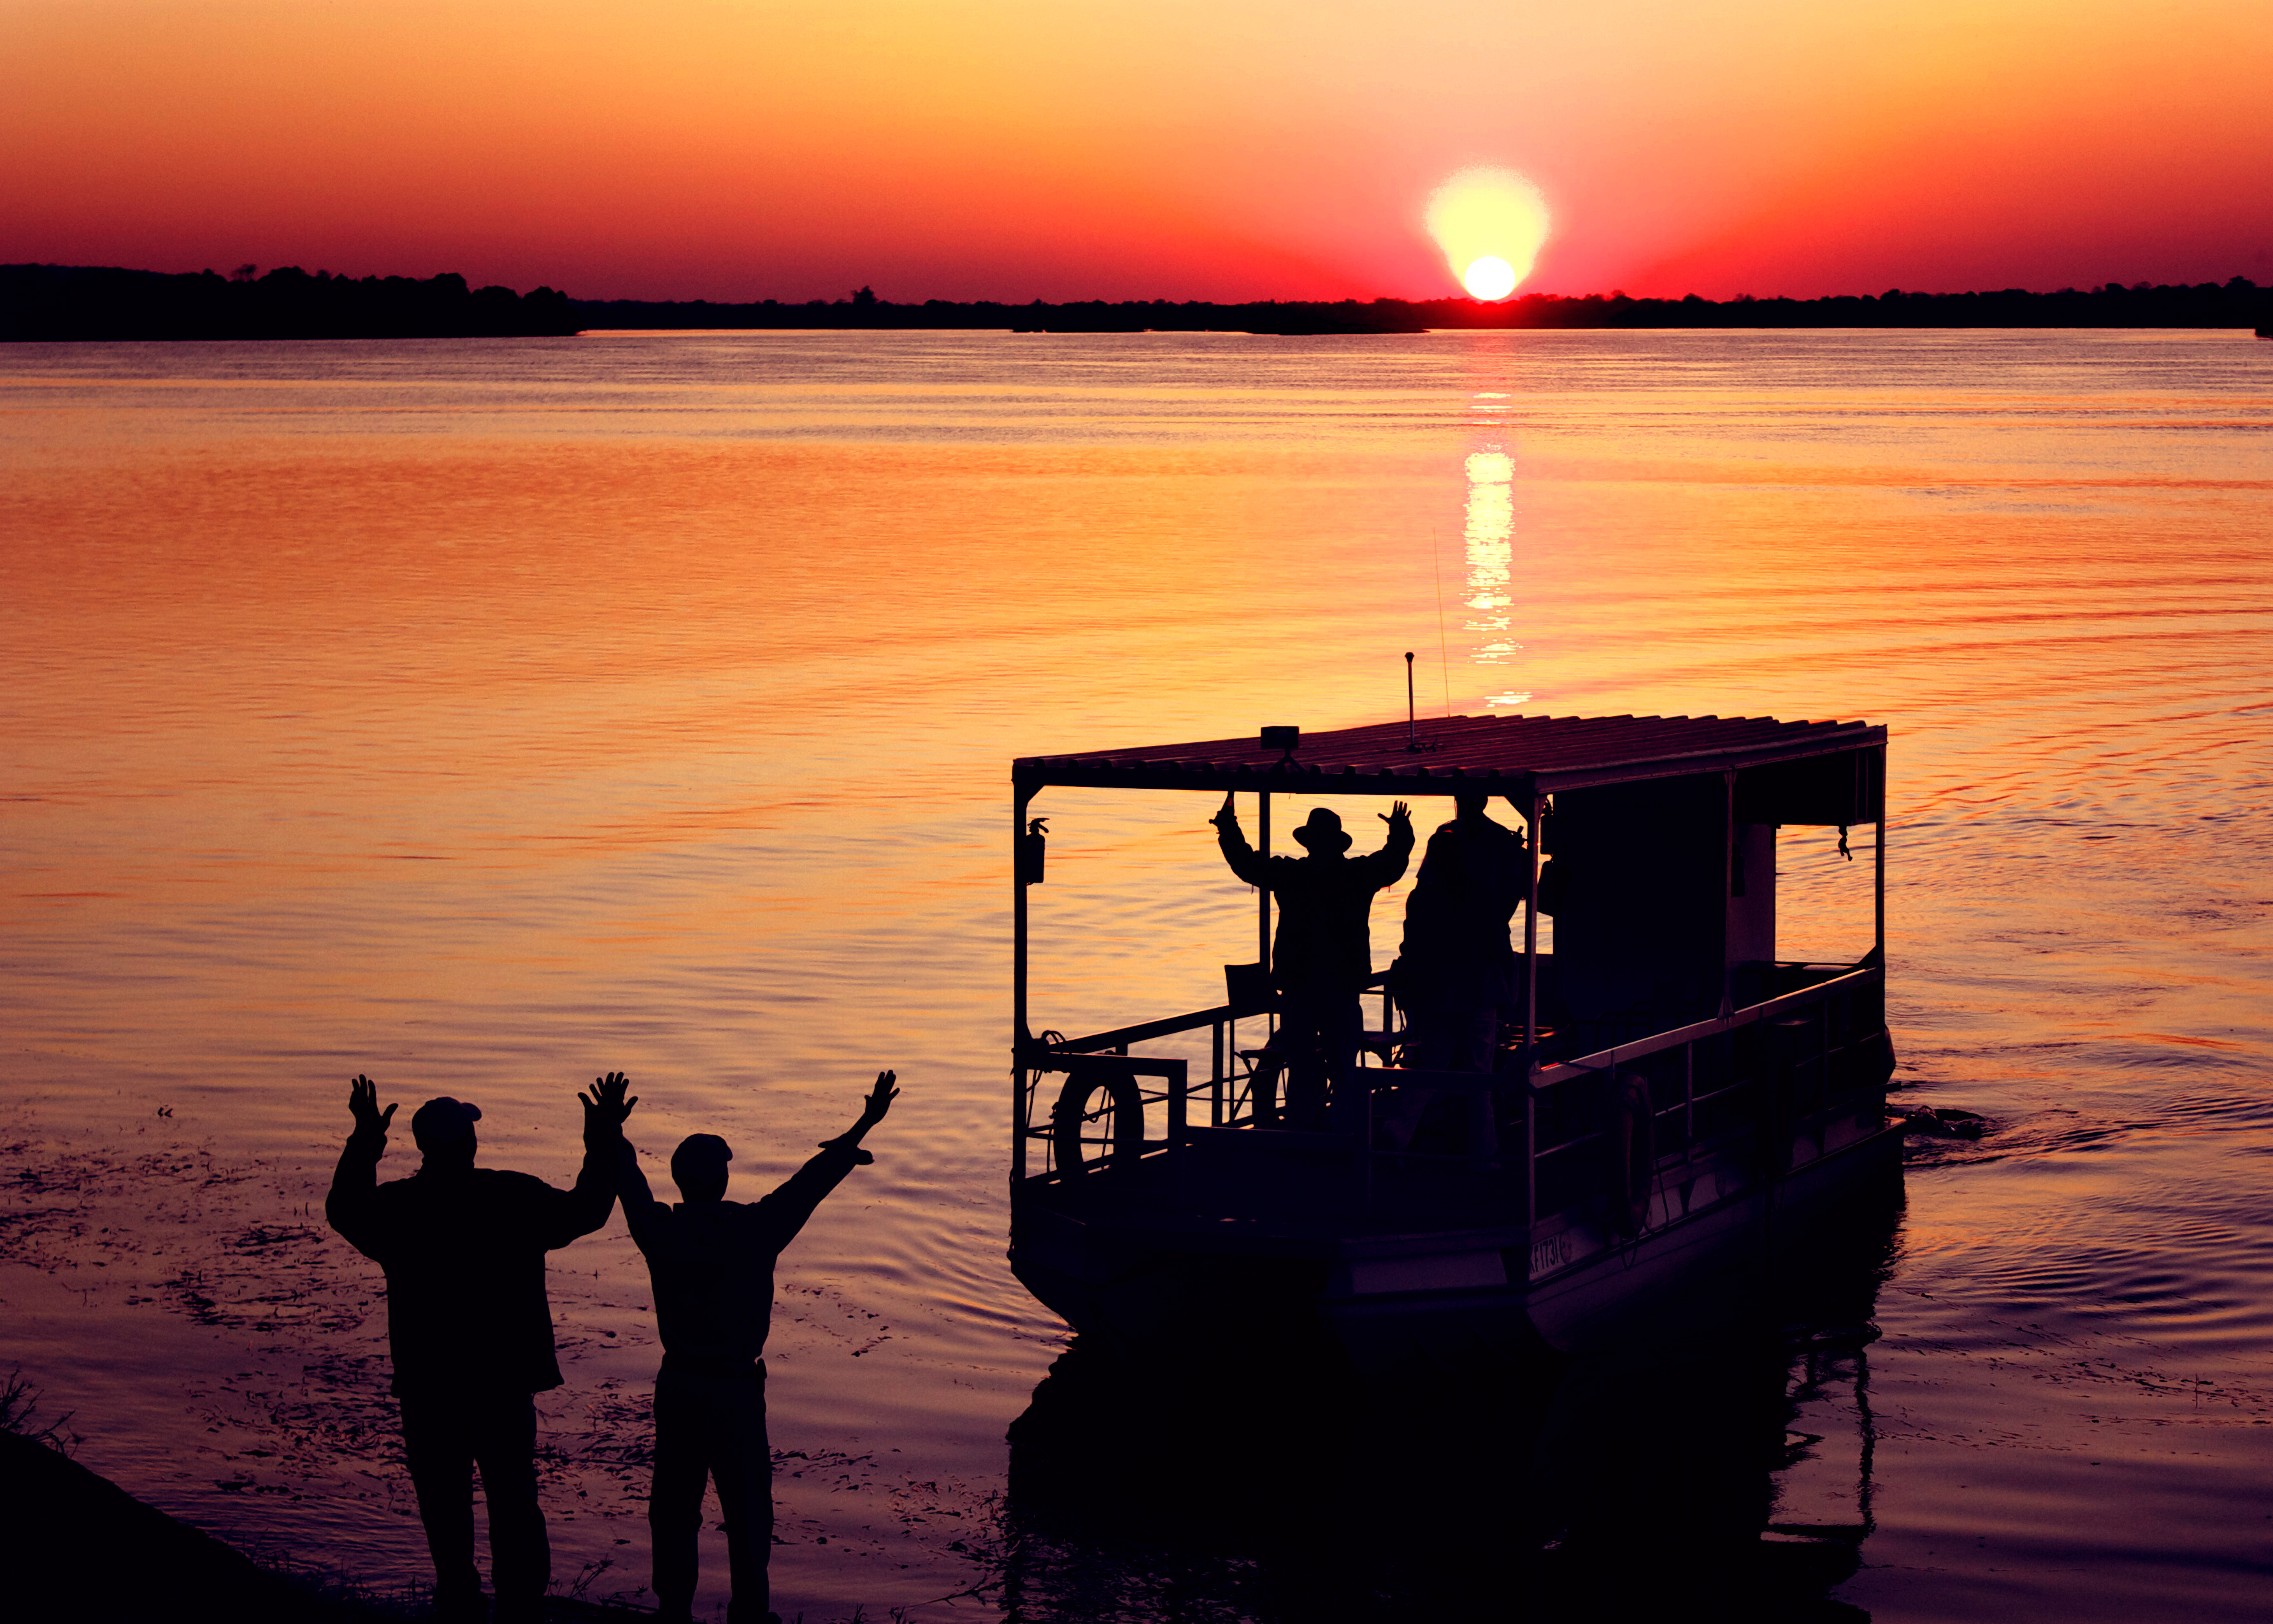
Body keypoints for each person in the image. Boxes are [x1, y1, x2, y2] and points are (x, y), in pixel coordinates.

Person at [326, 1070, 636, 1622]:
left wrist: (365, 1141)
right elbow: (588, 1209)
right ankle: (518, 1605)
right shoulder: (510, 1194)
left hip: (428, 1381)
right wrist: (601, 1139)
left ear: (423, 1147)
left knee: (443, 1502)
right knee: (514, 1498)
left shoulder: (399, 1207)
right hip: (501, 1379)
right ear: (469, 1142)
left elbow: (345, 1210)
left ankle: (459, 1601)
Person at [617, 1070, 900, 1624]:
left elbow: (628, 1180)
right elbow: (809, 1183)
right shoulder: (754, 1228)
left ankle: (673, 1610)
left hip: (677, 1384)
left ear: (679, 1181)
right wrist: (862, 1125)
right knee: (747, 1512)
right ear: (721, 1179)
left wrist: (608, 1132)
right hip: (733, 1392)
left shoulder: (660, 1231)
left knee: (673, 1510)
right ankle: (749, 1614)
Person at [1212, 793, 1413, 1130]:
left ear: (1309, 843)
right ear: (1338, 844)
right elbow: (1393, 861)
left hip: (1298, 986)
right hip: (1341, 986)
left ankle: (1303, 1130)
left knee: (1302, 1064)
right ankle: (1342, 1132)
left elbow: (1245, 863)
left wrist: (1228, 827)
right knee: (1344, 1067)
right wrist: (1400, 831)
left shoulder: (1292, 875)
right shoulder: (1356, 875)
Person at [1382, 791, 1530, 1153]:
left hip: (1435, 994)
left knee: (1431, 1068)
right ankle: (1484, 1154)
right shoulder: (1481, 896)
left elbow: (1411, 945)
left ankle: (1396, 1134)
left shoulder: (1422, 899)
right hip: (1478, 993)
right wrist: (1510, 995)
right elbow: (1500, 946)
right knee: (1480, 1075)